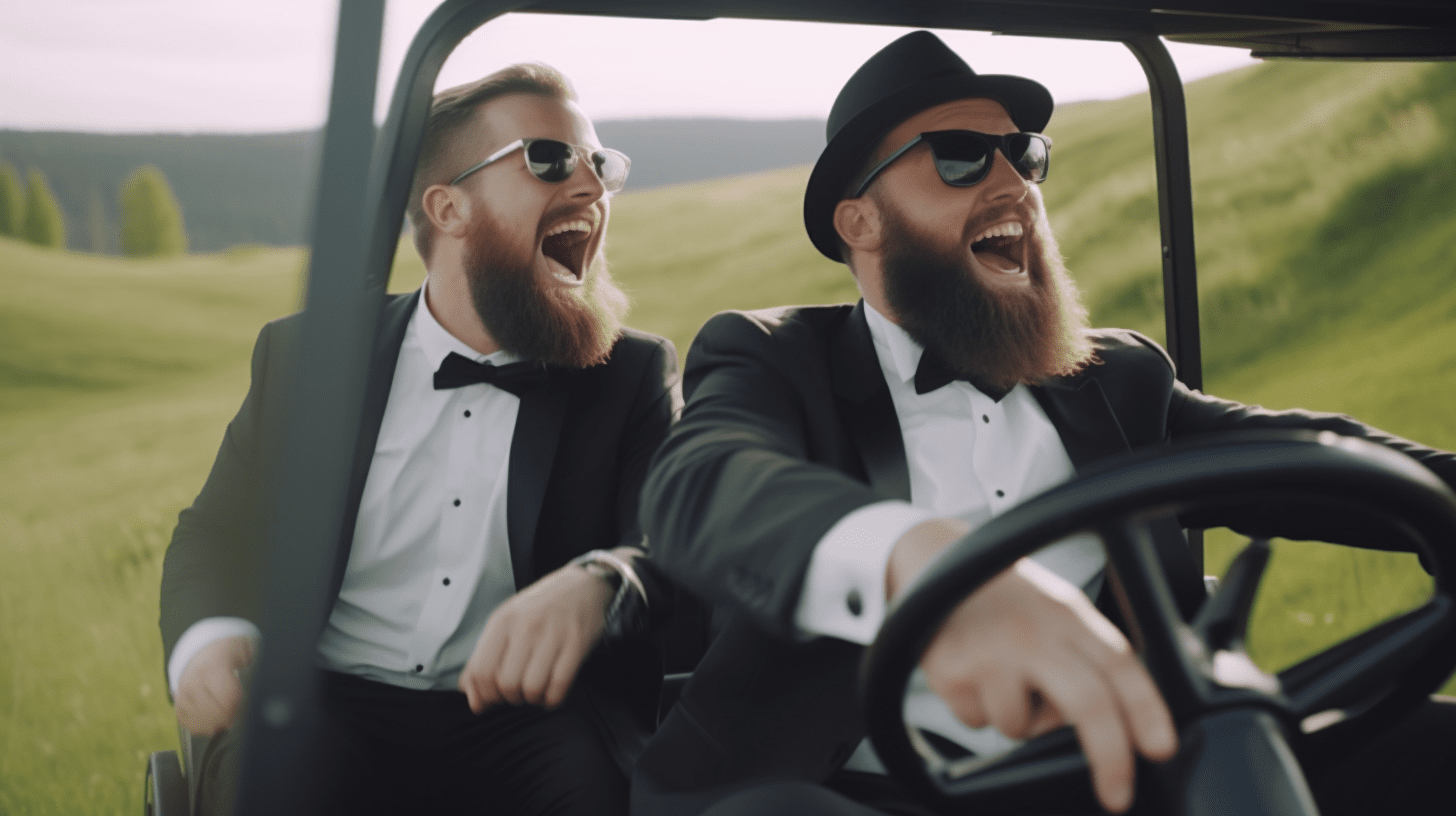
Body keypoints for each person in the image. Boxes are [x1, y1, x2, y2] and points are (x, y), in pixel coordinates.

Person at [632, 31, 1456, 816]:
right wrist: (911, 561)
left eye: (1024, 154)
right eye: (959, 156)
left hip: (1105, 772)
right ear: (862, 222)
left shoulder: (1115, 378)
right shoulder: (776, 358)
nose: (1014, 184)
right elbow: (700, 484)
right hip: (846, 786)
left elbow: (1297, 455)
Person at [159, 63, 680, 816]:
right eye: (549, 159)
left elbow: (677, 540)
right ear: (448, 207)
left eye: (601, 164)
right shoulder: (308, 357)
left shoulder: (631, 373)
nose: (592, 187)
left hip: (538, 719)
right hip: (326, 703)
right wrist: (206, 637)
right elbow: (215, 532)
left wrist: (605, 579)